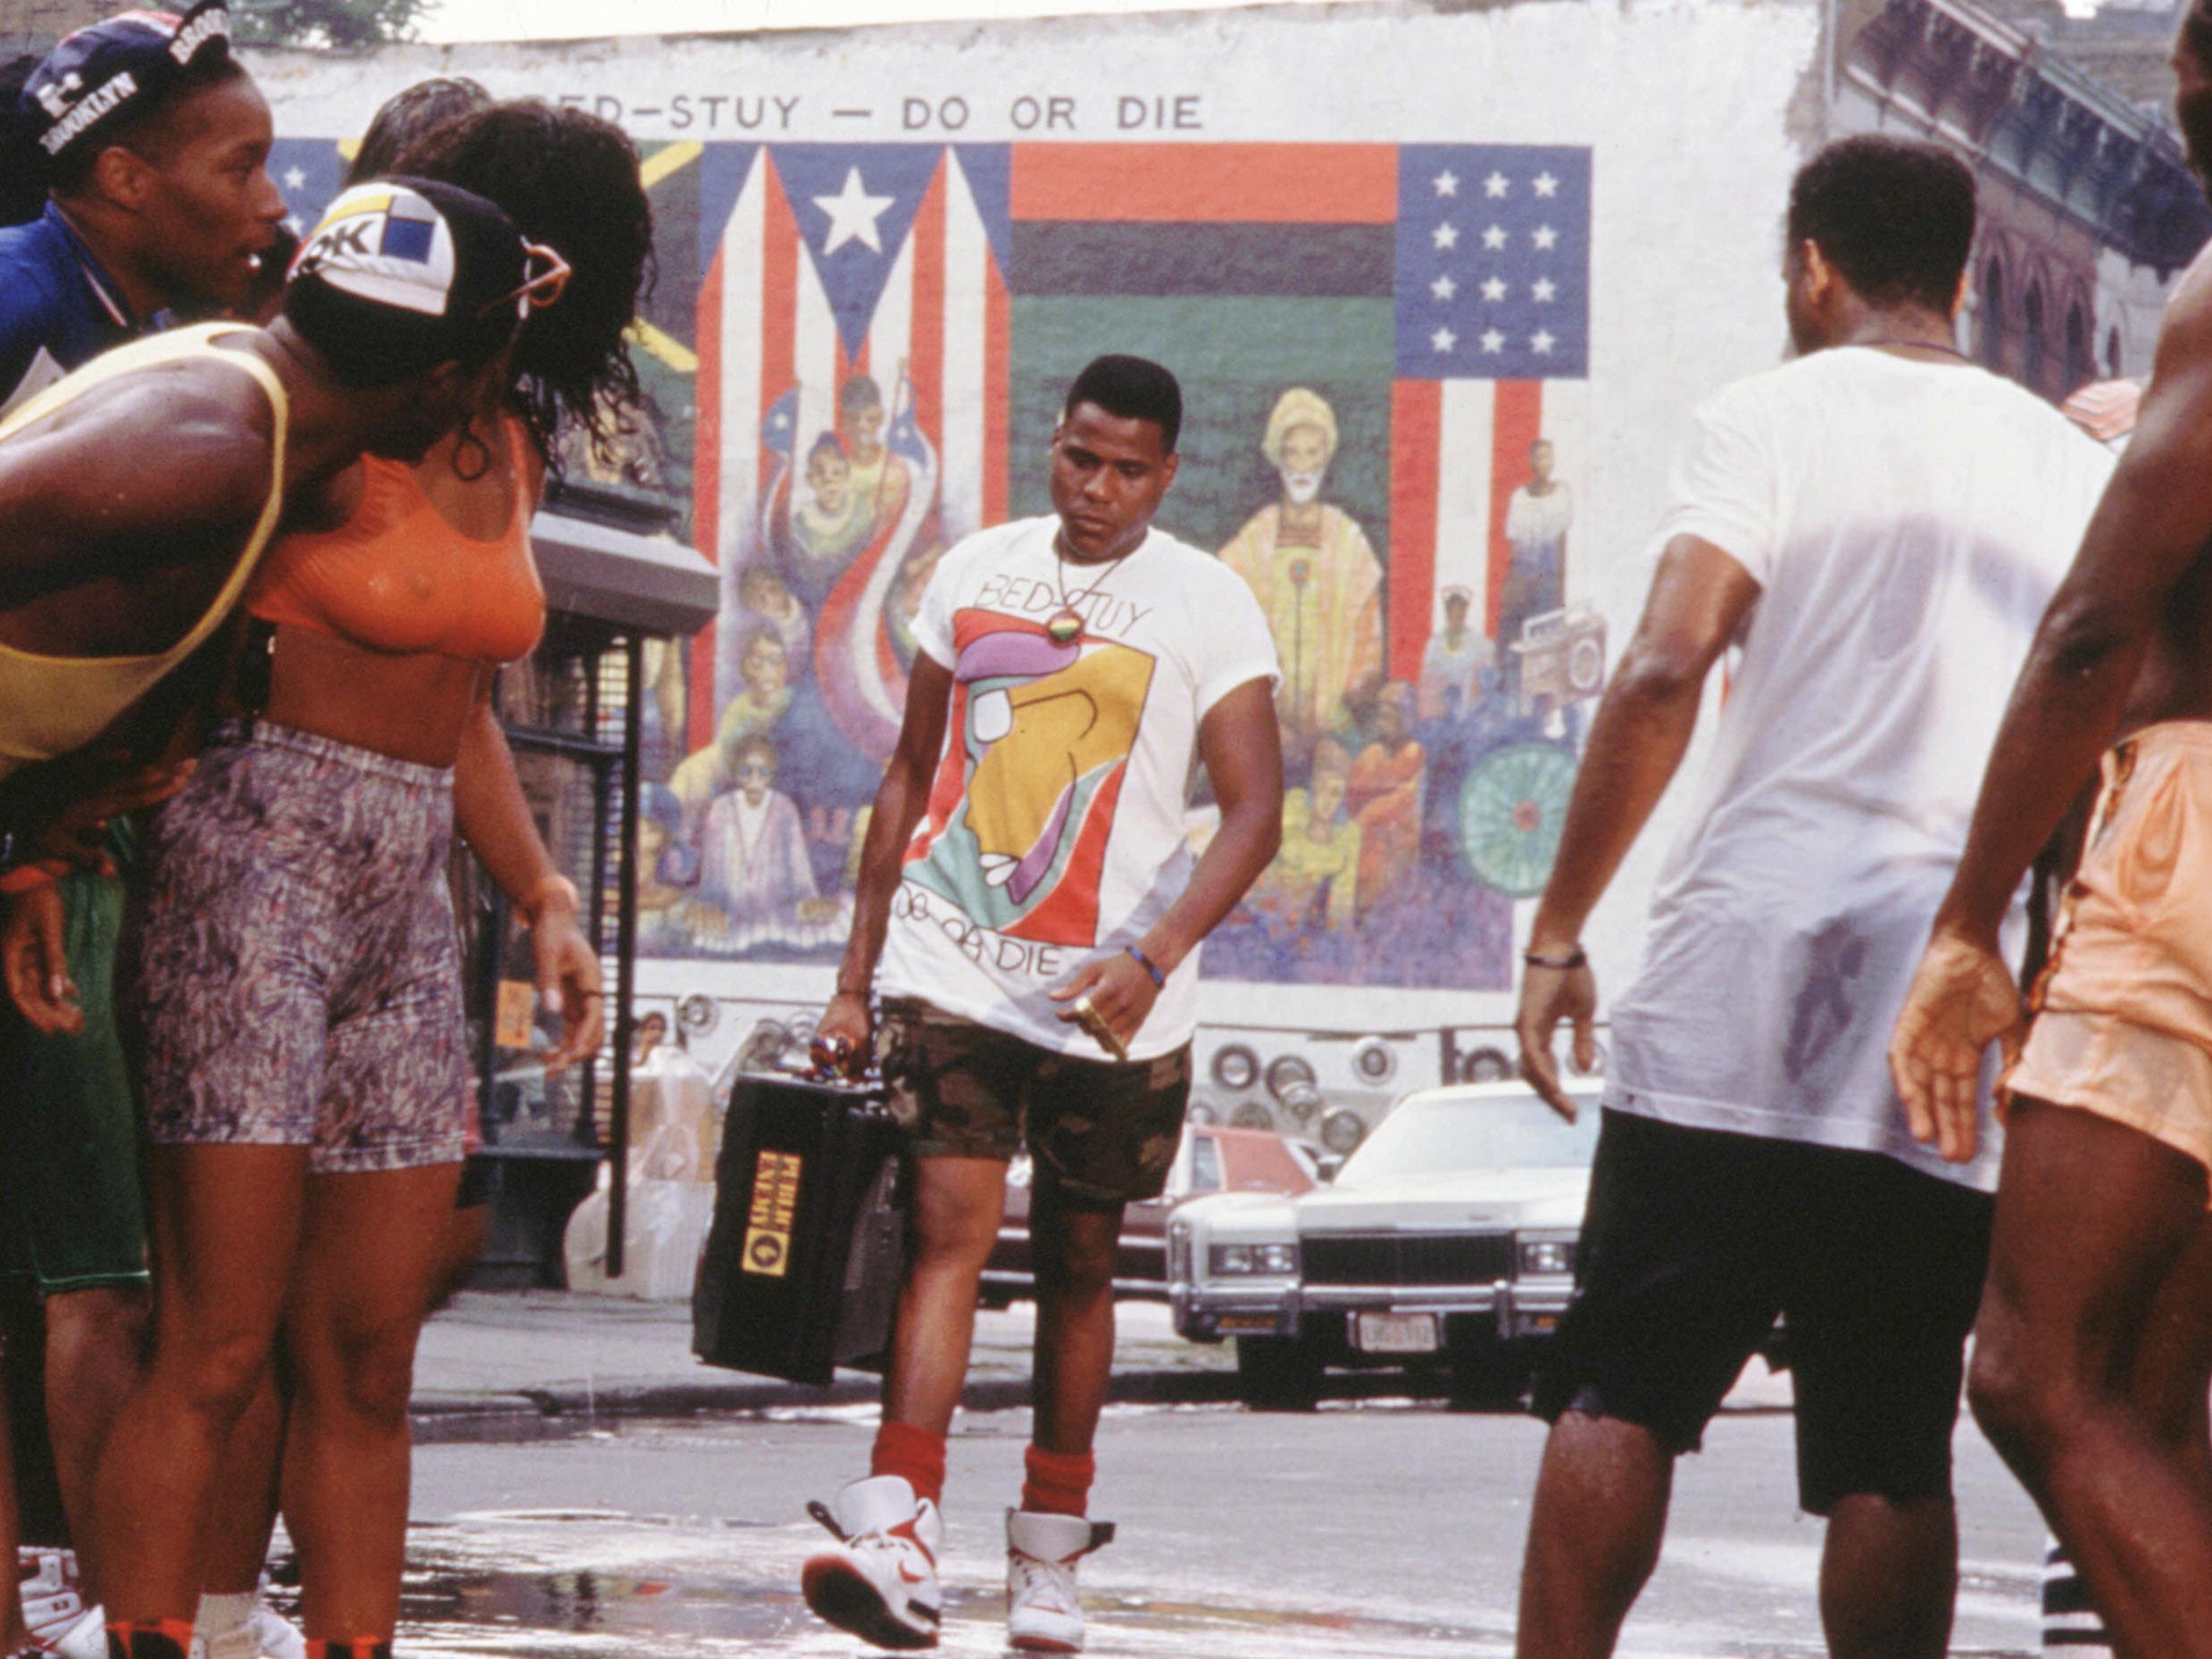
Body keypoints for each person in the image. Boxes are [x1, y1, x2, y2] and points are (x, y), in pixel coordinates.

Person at [1508, 134, 2114, 1659]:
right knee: (1887, 1434)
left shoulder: (1760, 418)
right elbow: (2086, 718)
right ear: (1966, 278)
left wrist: (1557, 929)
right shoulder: (2062, 458)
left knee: (1623, 1383)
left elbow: (1661, 662)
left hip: (1738, 971)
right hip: (1937, 987)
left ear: (1809, 268)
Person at [65, 99, 650, 1659]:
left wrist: (541, 891)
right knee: (216, 1338)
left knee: (369, 1355)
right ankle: (147, 1629)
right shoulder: (326, 409)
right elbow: (151, 595)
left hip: (409, 890)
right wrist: (73, 807)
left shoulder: (504, 437)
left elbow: (458, 698)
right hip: (251, 856)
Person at [801, 354, 1281, 1654]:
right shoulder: (972, 572)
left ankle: (1048, 1552)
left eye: (1129, 467)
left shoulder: (1209, 599)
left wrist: (1156, 951)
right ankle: (898, 1525)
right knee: (945, 1232)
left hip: (1117, 1000)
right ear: (1052, 445)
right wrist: (854, 978)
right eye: (1081, 456)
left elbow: (1253, 809)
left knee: (1078, 1267)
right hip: (951, 966)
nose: (1099, 488)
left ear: (1167, 472)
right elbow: (908, 779)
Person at [1885, 12, 2212, 1652]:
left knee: (2033, 1366)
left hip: (2188, 824)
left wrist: (1963, 921)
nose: (2183, 86)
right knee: (2150, 1392)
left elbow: (2092, 623)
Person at [0, 11, 288, 1651]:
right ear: (121, 178)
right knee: (93, 1271)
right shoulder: (27, 303)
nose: (269, 196)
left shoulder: (157, 324)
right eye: (235, 163)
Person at [1218, 386, 1382, 755]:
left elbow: (1369, 647)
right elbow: (1227, 637)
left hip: (1332, 734)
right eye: (1292, 453)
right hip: (1260, 727)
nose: (1302, 466)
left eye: (1312, 453)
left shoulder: (1350, 544)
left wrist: (1337, 709)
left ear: (1326, 457)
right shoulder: (1249, 545)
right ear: (1278, 458)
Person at [1498, 438, 1574, 653]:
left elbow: (1561, 543)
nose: (1545, 463)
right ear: (1531, 461)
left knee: (1547, 641)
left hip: (1549, 582)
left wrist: (1557, 584)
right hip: (1523, 578)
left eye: (1548, 456)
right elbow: (1516, 545)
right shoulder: (1519, 498)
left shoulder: (1562, 494)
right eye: (1540, 457)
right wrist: (1516, 585)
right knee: (1516, 641)